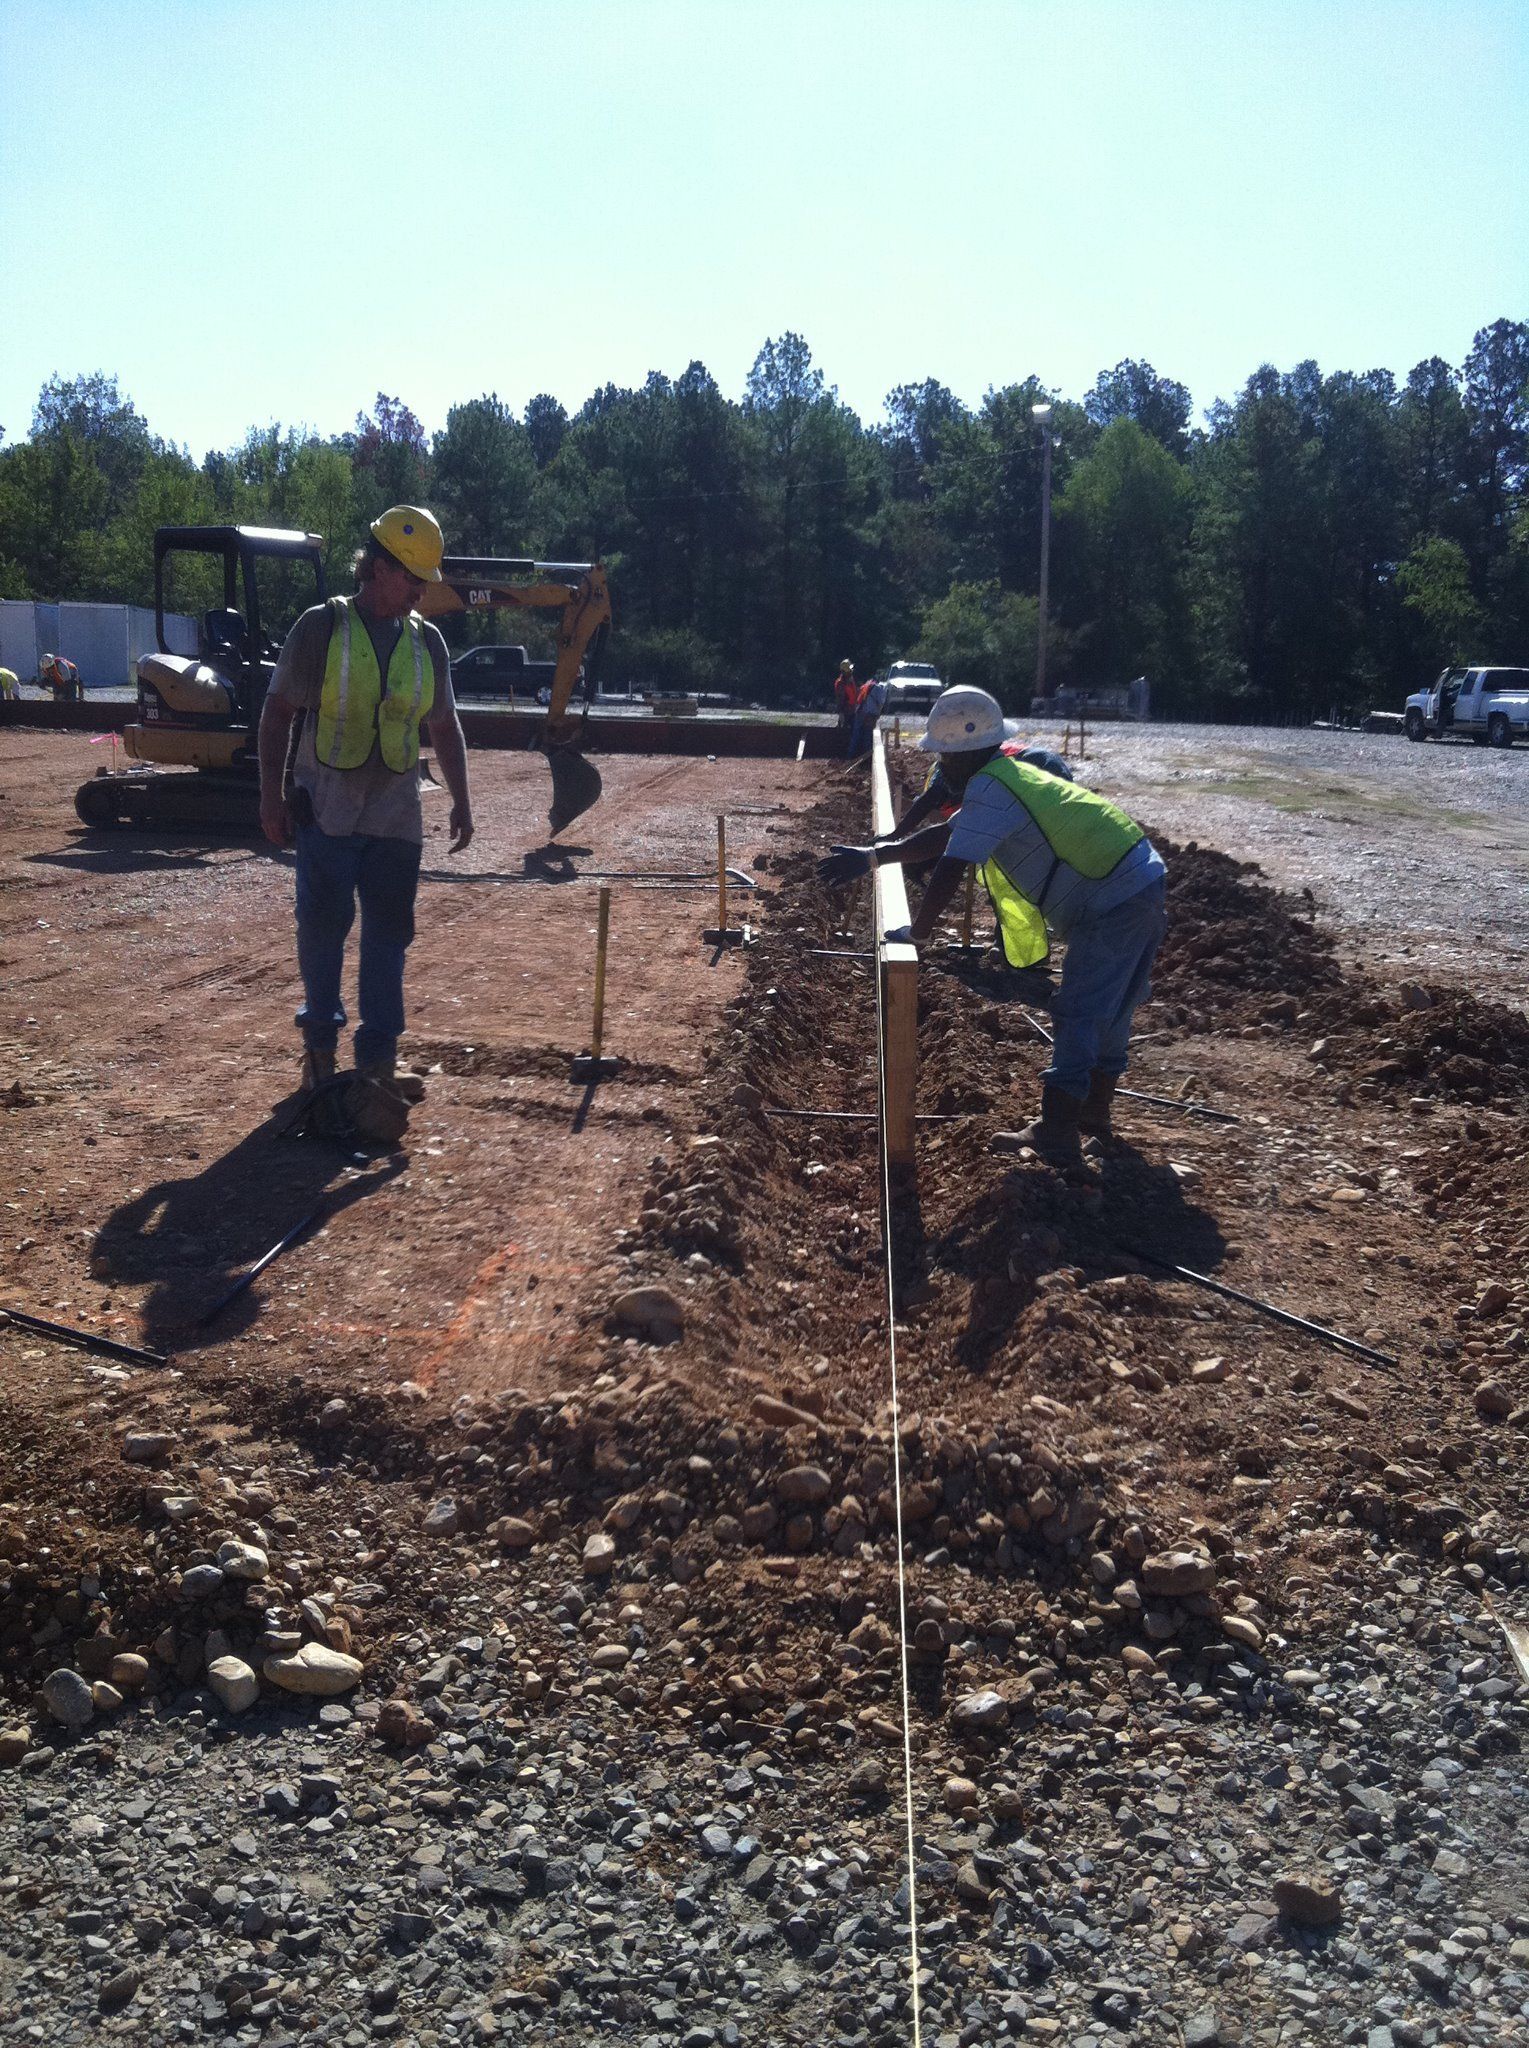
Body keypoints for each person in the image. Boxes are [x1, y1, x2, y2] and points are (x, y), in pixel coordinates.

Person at [819, 685, 1166, 1164]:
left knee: (1081, 1009)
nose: (939, 767)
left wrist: (917, 933)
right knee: (1113, 1007)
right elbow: (946, 833)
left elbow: (952, 862)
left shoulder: (989, 785)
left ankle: (1059, 1130)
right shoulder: (1006, 776)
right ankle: (1095, 1117)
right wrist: (875, 855)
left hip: (1112, 898)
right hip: (1142, 880)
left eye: (943, 756)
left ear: (964, 753)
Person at [257, 504, 474, 1136]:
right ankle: (320, 1060)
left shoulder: (425, 640)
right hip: (327, 812)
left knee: (388, 939)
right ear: (376, 568)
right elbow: (275, 716)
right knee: (322, 931)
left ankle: (378, 1063)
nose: (421, 590)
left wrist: (461, 797)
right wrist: (270, 796)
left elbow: (444, 726)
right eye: (412, 577)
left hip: (396, 821)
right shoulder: (321, 628)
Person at [846, 673, 889, 758]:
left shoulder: (865, 686)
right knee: (868, 735)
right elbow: (881, 702)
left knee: (856, 735)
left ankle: (850, 755)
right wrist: (878, 713)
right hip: (870, 714)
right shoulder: (878, 688)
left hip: (859, 712)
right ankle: (867, 757)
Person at [832, 659, 858, 748]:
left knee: (853, 732)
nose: (851, 671)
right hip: (846, 712)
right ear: (844, 671)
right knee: (845, 734)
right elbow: (841, 700)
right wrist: (841, 713)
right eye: (849, 670)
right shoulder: (841, 683)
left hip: (852, 711)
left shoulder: (849, 681)